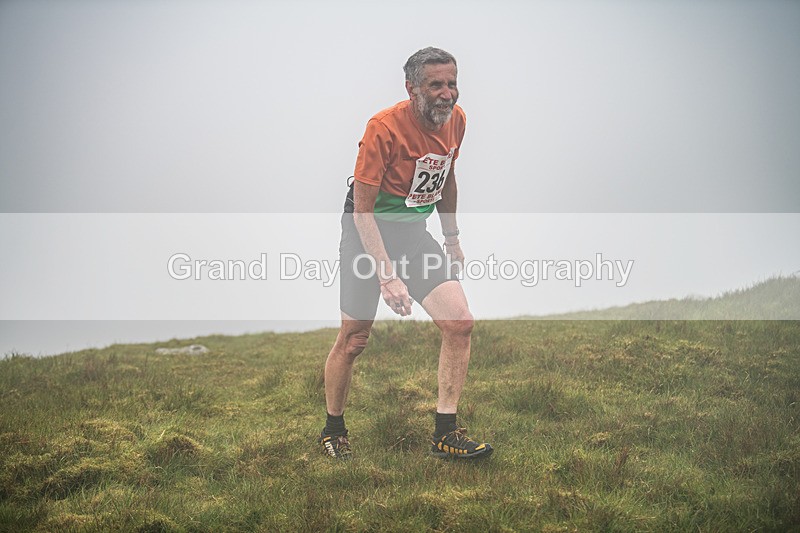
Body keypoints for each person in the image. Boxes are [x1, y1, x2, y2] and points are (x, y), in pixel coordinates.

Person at [319, 47, 493, 460]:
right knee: (355, 338)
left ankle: (445, 434)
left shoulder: (457, 121)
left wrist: (451, 238)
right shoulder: (383, 128)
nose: (446, 94)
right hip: (366, 232)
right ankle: (333, 429)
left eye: (452, 83)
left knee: (460, 323)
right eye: (435, 85)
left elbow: (447, 179)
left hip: (413, 233)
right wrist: (386, 275)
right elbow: (362, 212)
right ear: (411, 88)